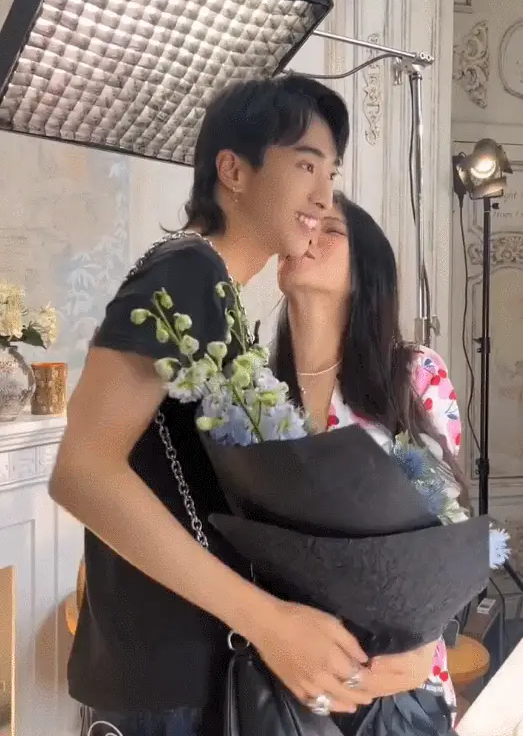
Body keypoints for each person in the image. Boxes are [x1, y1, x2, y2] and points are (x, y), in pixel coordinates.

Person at [50, 77, 438, 736]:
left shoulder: (221, 301)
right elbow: (82, 472)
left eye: (331, 173)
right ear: (233, 171)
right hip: (164, 681)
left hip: (202, 674)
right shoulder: (187, 271)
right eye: (305, 166)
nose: (323, 196)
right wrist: (267, 621)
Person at [274, 190, 468, 731]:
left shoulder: (412, 374)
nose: (307, 235)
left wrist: (422, 644)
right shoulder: (259, 394)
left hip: (398, 678)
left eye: (330, 229)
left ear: (367, 273)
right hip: (289, 678)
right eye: (301, 224)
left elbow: (444, 532)